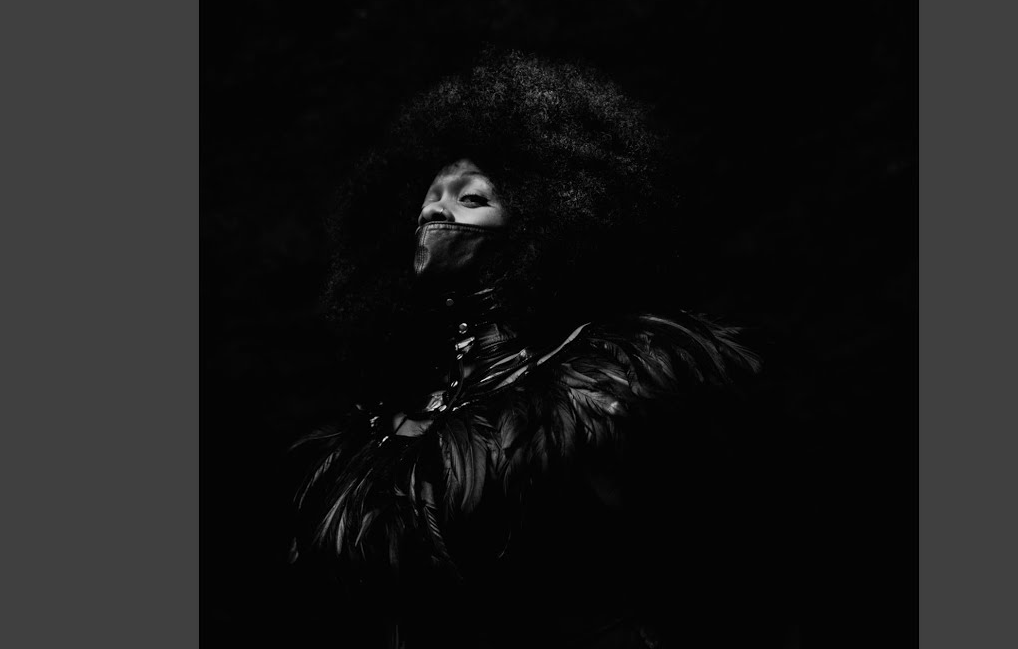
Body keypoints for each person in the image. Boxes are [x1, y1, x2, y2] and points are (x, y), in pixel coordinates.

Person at [286, 50, 770, 649]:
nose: (436, 209)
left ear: (546, 220)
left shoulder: (612, 377)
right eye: (430, 198)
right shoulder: (385, 423)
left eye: (471, 199)